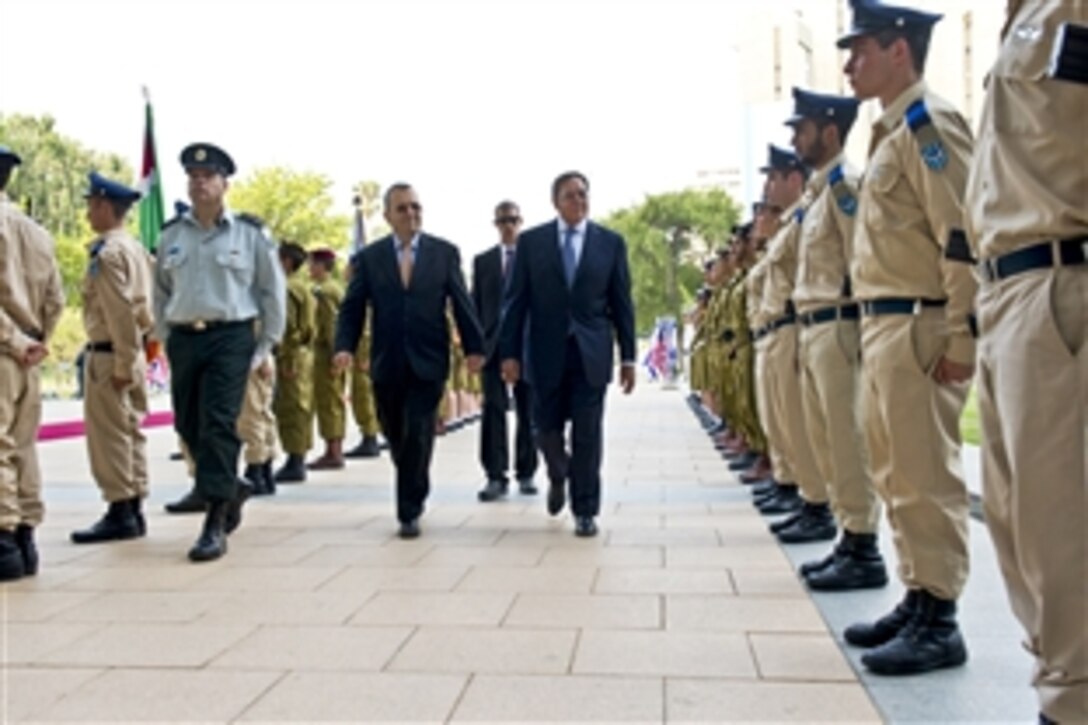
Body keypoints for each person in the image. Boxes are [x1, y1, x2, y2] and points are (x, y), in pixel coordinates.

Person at [838, 0, 976, 675]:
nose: (848, 63)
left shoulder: (930, 126)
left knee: (926, 475)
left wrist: (962, 335)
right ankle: (919, 594)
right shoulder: (888, 135)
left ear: (900, 50)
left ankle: (941, 617)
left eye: (860, 49)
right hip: (886, 323)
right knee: (897, 473)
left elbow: (961, 233)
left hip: (921, 323)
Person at [966, 2, 1087, 722]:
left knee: (1063, 531)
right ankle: (1061, 690)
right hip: (1008, 292)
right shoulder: (1025, 17)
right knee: (1022, 530)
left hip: (1060, 284)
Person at [153, 142, 286, 562]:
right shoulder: (172, 234)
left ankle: (214, 520)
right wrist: (165, 337)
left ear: (224, 183)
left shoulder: (249, 234)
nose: (199, 183)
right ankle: (233, 486)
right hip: (185, 338)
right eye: (193, 177)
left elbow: (271, 292)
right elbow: (159, 293)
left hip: (231, 336)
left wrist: (265, 346)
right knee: (188, 425)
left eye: (208, 176)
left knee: (217, 423)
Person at [333, 182, 483, 538]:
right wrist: (344, 346)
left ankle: (408, 509)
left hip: (429, 360)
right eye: (402, 208)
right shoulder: (369, 259)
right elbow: (352, 308)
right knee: (395, 432)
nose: (411, 214)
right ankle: (414, 478)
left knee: (417, 431)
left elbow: (461, 303)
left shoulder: (443, 253)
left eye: (415, 207)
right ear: (388, 216)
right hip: (386, 361)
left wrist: (475, 347)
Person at [787, 87, 887, 590]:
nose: (796, 139)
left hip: (839, 325)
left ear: (829, 131)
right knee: (827, 440)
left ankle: (864, 546)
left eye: (802, 129)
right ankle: (848, 536)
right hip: (814, 327)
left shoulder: (845, 186)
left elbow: (859, 260)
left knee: (848, 440)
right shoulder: (820, 193)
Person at [499, 171, 636, 537]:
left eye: (583, 194)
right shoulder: (532, 243)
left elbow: (622, 303)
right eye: (570, 196)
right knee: (544, 430)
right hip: (544, 353)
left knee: (588, 434)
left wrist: (628, 357)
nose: (578, 201)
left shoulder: (610, 243)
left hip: (591, 354)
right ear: (555, 202)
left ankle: (585, 509)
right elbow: (515, 302)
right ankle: (559, 473)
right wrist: (509, 353)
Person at [70, 172, 155, 544]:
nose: (89, 212)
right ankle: (133, 504)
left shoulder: (107, 253)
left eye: (91, 205)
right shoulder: (135, 248)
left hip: (112, 353)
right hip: (133, 349)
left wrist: (122, 362)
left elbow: (118, 310)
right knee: (130, 431)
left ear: (105, 206)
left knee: (111, 436)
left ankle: (120, 507)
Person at [0, 145, 65, 581]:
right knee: (23, 444)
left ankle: (2, 539)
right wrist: (38, 339)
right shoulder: (36, 232)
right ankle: (26, 533)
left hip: (4, 348)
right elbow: (56, 299)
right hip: (29, 353)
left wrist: (13, 339)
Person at [473, 200, 538, 502]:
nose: (508, 225)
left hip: (526, 345)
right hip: (492, 347)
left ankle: (526, 472)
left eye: (512, 220)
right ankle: (495, 475)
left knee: (528, 410)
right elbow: (474, 306)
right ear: (495, 225)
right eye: (502, 221)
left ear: (520, 222)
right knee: (494, 410)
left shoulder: (533, 258)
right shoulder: (483, 261)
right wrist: (475, 346)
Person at [273, 241, 316, 482]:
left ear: (287, 262)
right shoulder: (303, 287)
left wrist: (285, 357)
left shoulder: (286, 288)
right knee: (301, 405)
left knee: (291, 408)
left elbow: (287, 327)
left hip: (291, 354)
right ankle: (298, 457)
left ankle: (295, 460)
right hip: (303, 352)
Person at [307, 248, 347, 470]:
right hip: (326, 350)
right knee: (332, 400)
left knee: (329, 401)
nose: (309, 269)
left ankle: (333, 450)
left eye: (313, 264)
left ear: (322, 267)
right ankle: (333, 447)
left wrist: (334, 355)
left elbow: (332, 325)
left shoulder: (325, 292)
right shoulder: (330, 289)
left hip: (326, 351)